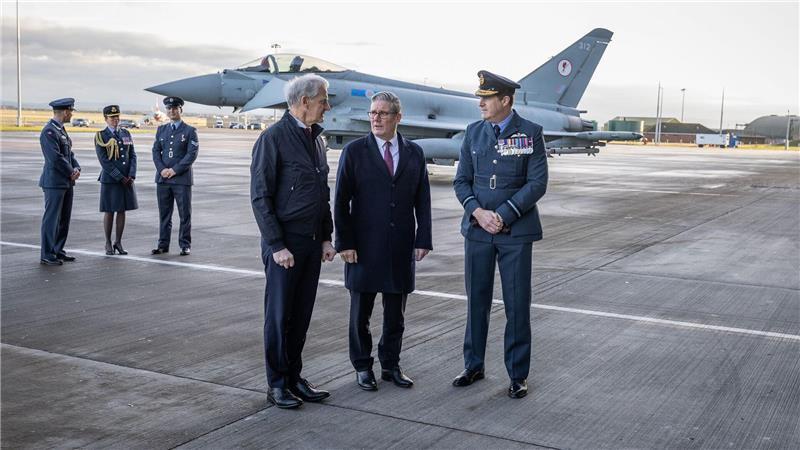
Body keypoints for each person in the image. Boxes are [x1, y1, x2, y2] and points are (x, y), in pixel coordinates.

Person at [452, 70, 548, 399]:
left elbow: (537, 183)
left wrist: (503, 215)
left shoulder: (531, 133)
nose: (480, 102)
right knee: (476, 302)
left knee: (517, 305)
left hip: (515, 233)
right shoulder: (474, 132)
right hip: (478, 231)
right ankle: (473, 365)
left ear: (505, 101)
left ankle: (518, 374)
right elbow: (461, 180)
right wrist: (478, 213)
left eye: (487, 97)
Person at [334, 91, 432, 391]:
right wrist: (345, 242)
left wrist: (423, 238)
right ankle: (363, 367)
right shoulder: (354, 152)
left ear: (397, 117)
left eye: (383, 113)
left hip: (400, 246)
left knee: (395, 316)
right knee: (359, 314)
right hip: (363, 247)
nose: (376, 118)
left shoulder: (414, 152)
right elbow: (340, 202)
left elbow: (422, 199)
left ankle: (391, 365)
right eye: (373, 113)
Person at [250, 74, 337, 409]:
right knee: (279, 315)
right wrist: (276, 245)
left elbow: (321, 193)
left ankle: (294, 377)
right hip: (285, 246)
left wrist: (326, 237)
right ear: (305, 102)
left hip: (311, 243)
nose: (327, 106)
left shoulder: (315, 139)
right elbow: (260, 197)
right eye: (323, 100)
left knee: (300, 315)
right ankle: (276, 384)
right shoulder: (273, 139)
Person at [151, 96, 198, 256]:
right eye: (169, 109)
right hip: (163, 179)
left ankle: (185, 244)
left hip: (181, 180)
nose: (172, 111)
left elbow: (191, 154)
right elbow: (156, 151)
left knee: (185, 214)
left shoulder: (189, 131)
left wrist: (175, 170)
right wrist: (162, 169)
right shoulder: (161, 130)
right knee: (164, 214)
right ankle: (163, 244)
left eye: (175, 108)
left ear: (180, 110)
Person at [39, 98, 80, 265]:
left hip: (66, 182)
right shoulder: (49, 132)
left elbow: (69, 154)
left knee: (64, 219)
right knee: (52, 219)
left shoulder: (61, 130)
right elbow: (55, 158)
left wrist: (76, 167)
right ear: (64, 112)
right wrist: (71, 172)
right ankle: (47, 254)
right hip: (54, 182)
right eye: (70, 111)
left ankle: (58, 250)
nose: (71, 114)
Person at [94, 105, 138, 255]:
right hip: (111, 179)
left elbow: (132, 155)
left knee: (122, 210)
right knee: (109, 211)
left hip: (126, 178)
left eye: (117, 117)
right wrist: (120, 177)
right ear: (105, 119)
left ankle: (118, 242)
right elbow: (104, 161)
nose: (115, 120)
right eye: (112, 117)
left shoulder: (125, 133)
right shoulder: (101, 136)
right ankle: (107, 243)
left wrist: (131, 175)